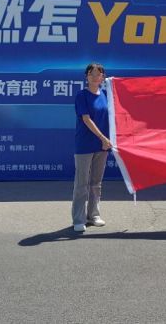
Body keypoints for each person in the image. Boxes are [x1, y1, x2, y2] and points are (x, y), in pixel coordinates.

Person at [72, 62, 112, 232]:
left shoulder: (106, 95)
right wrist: (103, 138)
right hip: (85, 144)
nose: (95, 77)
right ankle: (79, 219)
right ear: (86, 77)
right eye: (92, 74)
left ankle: (93, 215)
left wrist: (107, 140)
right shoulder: (82, 95)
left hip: (102, 146)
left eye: (98, 74)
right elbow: (86, 119)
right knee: (82, 184)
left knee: (96, 183)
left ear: (103, 77)